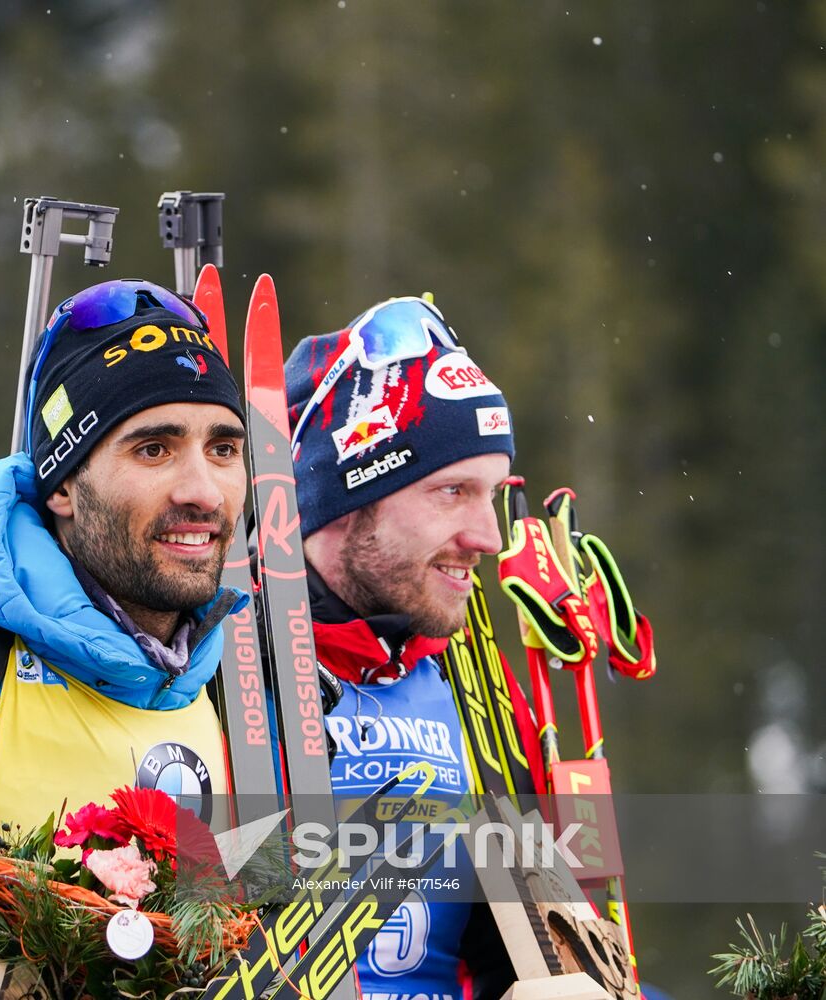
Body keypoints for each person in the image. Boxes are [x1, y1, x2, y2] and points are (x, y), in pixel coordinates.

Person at [0, 279, 249, 831]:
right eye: (154, 450)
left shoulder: (226, 680)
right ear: (63, 485)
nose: (204, 491)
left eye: (223, 450)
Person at [286, 295, 537, 999]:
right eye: (451, 491)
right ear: (344, 498)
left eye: (491, 494)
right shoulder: (215, 667)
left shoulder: (480, 691)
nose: (486, 536)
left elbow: (524, 954)